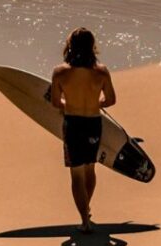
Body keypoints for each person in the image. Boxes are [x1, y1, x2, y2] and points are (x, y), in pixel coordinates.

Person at [49, 27, 116, 231]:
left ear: (70, 46)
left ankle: (85, 221)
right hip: (93, 124)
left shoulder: (60, 72)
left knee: (76, 175)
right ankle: (86, 210)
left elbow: (55, 102)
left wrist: (68, 103)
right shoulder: (101, 72)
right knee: (90, 169)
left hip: (73, 124)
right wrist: (96, 102)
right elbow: (111, 100)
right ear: (92, 46)